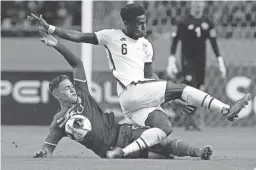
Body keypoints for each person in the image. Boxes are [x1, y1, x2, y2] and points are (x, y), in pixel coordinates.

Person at [27, 3, 250, 156]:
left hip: (137, 101)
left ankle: (121, 153)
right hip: (130, 92)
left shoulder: (146, 46)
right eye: (139, 23)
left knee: (165, 127)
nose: (144, 26)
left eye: (145, 21)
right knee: (183, 87)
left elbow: (150, 77)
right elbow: (78, 36)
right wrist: (51, 28)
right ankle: (225, 110)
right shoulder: (111, 36)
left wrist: (172, 99)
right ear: (128, 23)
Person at [33, 32, 213, 160]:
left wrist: (57, 45)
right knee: (161, 155)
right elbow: (48, 147)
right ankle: (178, 153)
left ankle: (198, 152)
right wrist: (43, 153)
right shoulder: (60, 121)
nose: (71, 89)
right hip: (108, 152)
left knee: (163, 142)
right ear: (57, 94)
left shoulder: (81, 92)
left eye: (70, 86)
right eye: (66, 89)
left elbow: (77, 64)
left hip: (122, 133)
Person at [166, 1, 226, 131]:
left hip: (201, 62)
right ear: (191, 4)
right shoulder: (183, 22)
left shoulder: (207, 23)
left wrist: (220, 61)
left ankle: (191, 118)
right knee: (190, 87)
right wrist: (171, 60)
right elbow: (175, 41)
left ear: (204, 5)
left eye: (201, 2)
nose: (198, 4)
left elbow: (214, 43)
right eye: (195, 1)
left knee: (199, 89)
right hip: (187, 60)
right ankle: (189, 121)